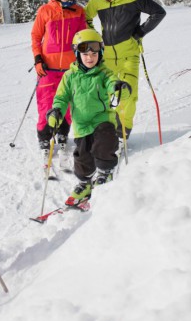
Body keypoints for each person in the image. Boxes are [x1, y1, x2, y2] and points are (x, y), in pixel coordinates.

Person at [47, 29, 131, 207]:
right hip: (82, 125)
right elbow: (61, 98)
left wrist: (118, 89)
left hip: (102, 119)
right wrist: (57, 111)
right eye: (85, 54)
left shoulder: (104, 73)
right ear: (77, 54)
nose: (90, 58)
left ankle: (105, 172)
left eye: (94, 54)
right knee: (82, 156)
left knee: (104, 142)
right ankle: (85, 183)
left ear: (100, 54)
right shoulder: (69, 76)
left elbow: (112, 85)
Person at [84, 0, 166, 139]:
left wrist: (140, 32)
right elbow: (85, 17)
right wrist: (94, 37)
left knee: (128, 94)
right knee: (104, 94)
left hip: (129, 55)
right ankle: (106, 129)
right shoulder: (97, 1)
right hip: (107, 57)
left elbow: (158, 12)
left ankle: (122, 132)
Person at [30, 0, 88, 164]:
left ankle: (63, 133)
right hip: (48, 68)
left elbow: (83, 37)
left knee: (68, 105)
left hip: (71, 69)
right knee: (46, 105)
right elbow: (36, 37)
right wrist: (38, 59)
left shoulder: (79, 11)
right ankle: (45, 138)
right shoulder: (45, 11)